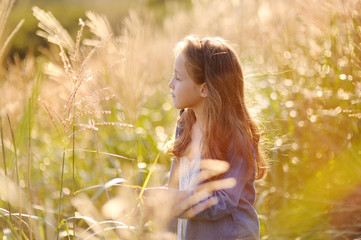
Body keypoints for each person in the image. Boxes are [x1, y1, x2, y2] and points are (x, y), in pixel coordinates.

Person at [142, 35, 267, 240]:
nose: (170, 83)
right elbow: (178, 189)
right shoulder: (185, 125)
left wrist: (172, 200)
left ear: (204, 88)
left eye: (179, 77)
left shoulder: (236, 136)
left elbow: (222, 201)